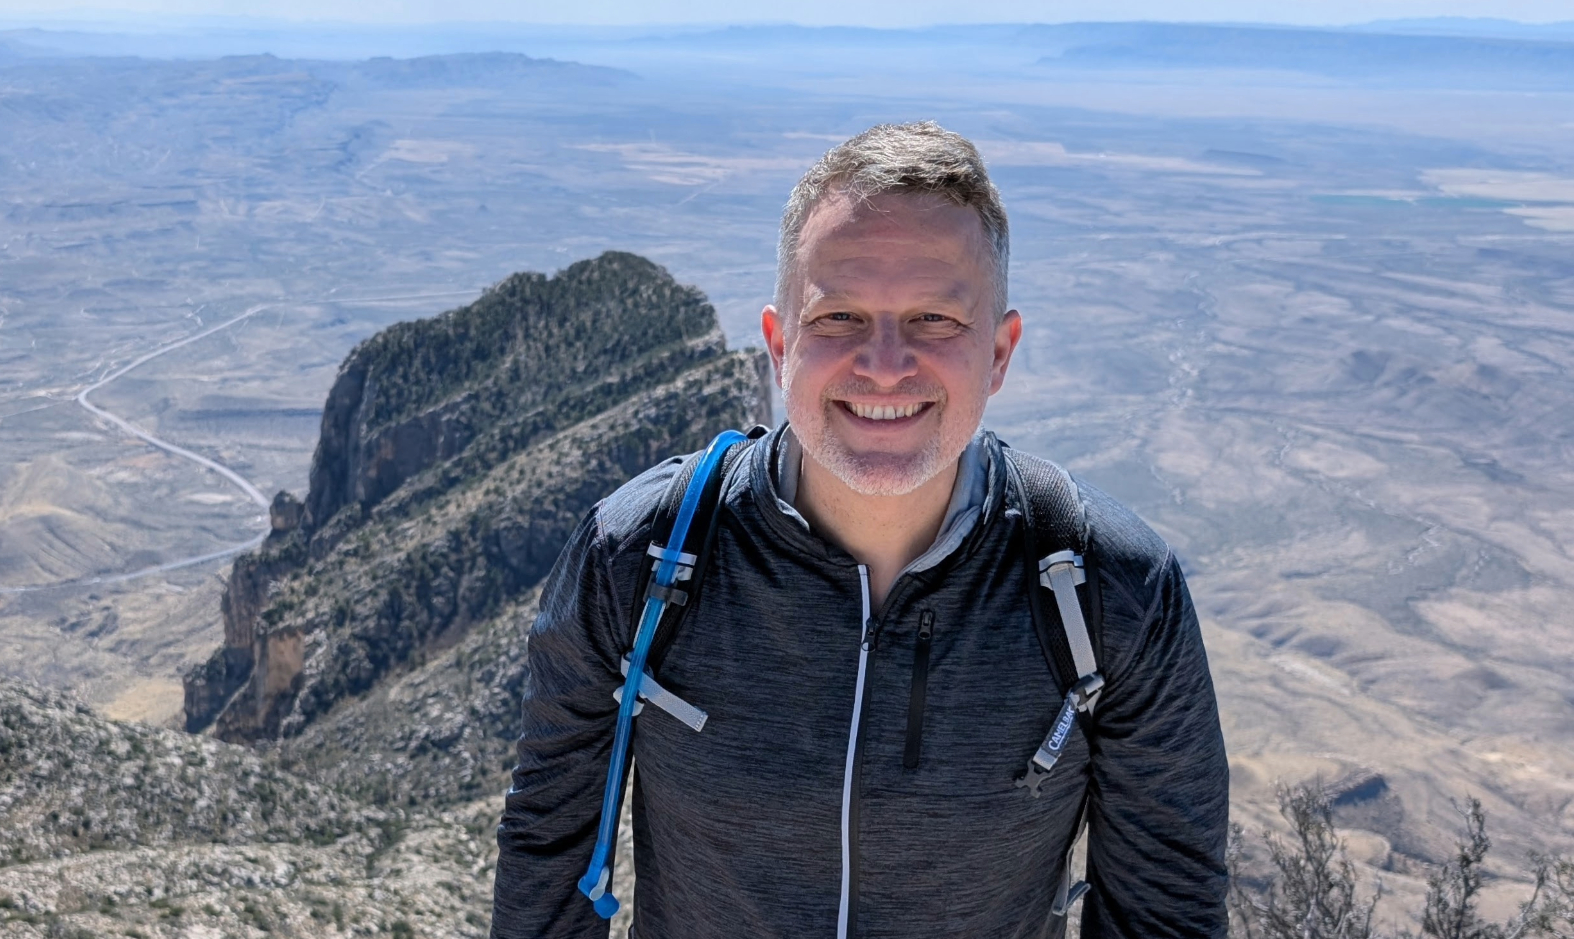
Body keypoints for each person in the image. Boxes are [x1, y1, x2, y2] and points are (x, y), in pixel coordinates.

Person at [491, 122, 1229, 938]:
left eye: (935, 320)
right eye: (839, 315)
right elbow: (547, 868)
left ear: (999, 352)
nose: (884, 364)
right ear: (779, 346)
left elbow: (1166, 913)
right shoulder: (636, 558)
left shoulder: (1111, 592)